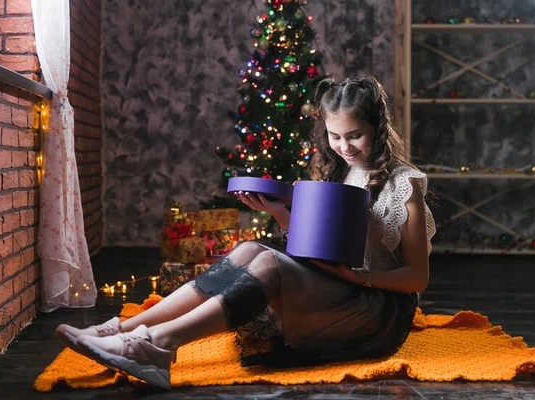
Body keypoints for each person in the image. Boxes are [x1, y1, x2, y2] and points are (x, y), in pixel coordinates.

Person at [55, 76, 436, 389]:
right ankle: (124, 330)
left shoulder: (404, 185)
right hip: (340, 282)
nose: (343, 146)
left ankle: (159, 345)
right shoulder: (340, 169)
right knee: (250, 249)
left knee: (269, 261)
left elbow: (417, 277)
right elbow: (319, 243)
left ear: (376, 128)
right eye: (335, 137)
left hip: (377, 310)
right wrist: (279, 212)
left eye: (354, 135)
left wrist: (360, 277)